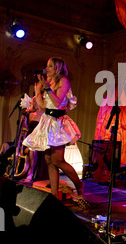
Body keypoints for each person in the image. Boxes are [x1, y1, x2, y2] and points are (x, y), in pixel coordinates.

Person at [23, 57, 86, 206]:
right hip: (47, 121)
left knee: (58, 160)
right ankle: (54, 196)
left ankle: (79, 185)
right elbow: (44, 106)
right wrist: (38, 92)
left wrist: (47, 87)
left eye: (50, 66)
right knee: (49, 161)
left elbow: (57, 103)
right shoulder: (49, 83)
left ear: (57, 68)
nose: (47, 69)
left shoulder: (63, 81)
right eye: (47, 66)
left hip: (58, 123)